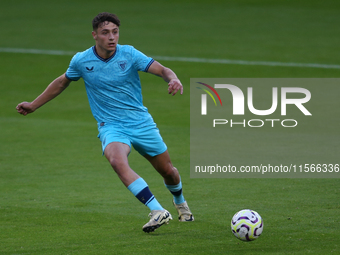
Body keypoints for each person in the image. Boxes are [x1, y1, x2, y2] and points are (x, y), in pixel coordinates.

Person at [16, 12, 194, 233]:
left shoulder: (129, 54)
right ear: (95, 35)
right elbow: (62, 82)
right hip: (111, 126)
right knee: (116, 160)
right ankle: (157, 210)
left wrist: (173, 78)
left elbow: (163, 70)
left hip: (141, 123)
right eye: (105, 33)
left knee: (168, 171)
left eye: (115, 32)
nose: (112, 37)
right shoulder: (81, 60)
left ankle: (181, 203)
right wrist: (33, 105)